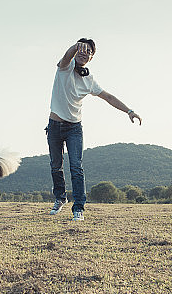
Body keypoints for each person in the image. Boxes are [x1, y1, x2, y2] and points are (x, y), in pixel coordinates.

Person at [46, 38, 142, 221]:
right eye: (81, 49)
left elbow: (109, 97)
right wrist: (75, 47)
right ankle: (60, 198)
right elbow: (66, 57)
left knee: (76, 167)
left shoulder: (89, 80)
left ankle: (78, 208)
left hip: (74, 128)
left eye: (88, 51)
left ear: (91, 58)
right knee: (55, 165)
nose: (84, 52)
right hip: (54, 126)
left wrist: (129, 111)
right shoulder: (65, 67)